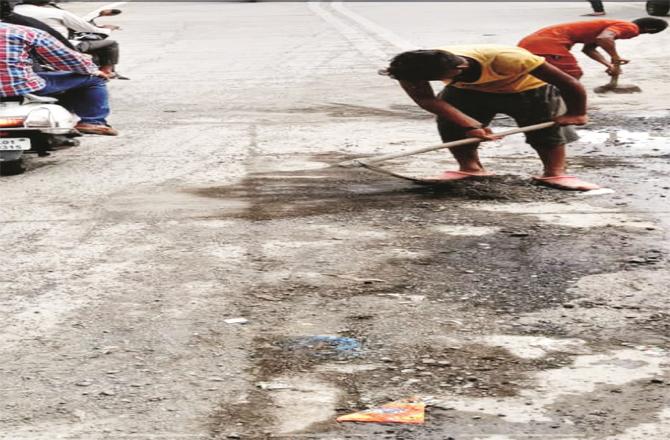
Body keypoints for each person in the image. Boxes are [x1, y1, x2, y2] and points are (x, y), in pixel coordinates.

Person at [379, 45, 597, 191]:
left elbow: (569, 83)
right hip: (468, 90)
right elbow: (426, 99)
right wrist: (471, 125)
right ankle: (470, 168)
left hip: (527, 89)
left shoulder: (509, 59)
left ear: (459, 68)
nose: (418, 82)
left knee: (544, 131)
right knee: (450, 124)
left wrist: (577, 112)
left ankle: (554, 173)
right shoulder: (410, 68)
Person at [0, 22, 118, 135]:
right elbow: (67, 59)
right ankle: (92, 122)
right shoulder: (24, 32)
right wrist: (93, 70)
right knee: (94, 79)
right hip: (22, 86)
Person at [519, 18, 668, 79]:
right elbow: (604, 38)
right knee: (573, 75)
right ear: (650, 29)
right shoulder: (631, 27)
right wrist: (615, 56)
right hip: (548, 43)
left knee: (542, 74)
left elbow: (589, 49)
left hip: (533, 42)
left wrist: (608, 64)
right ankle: (569, 107)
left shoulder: (609, 25)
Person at [13, 0, 125, 78]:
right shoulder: (57, 13)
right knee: (111, 44)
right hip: (57, 47)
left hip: (17, 48)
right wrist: (108, 29)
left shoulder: (12, 12)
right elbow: (89, 28)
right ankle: (106, 73)